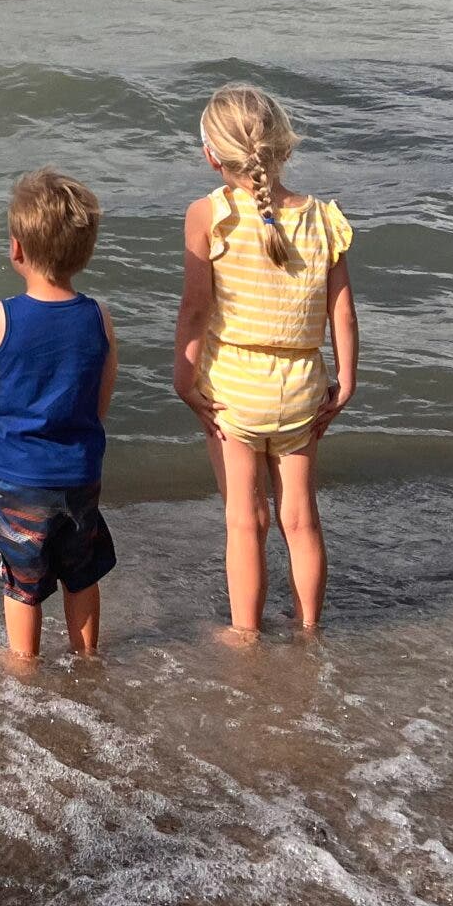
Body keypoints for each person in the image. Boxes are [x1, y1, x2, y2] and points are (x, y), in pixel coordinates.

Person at [173, 83, 359, 637]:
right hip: (301, 387)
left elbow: (194, 310)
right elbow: (342, 316)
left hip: (233, 390)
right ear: (285, 147)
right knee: (299, 518)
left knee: (245, 520)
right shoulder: (325, 219)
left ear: (212, 156)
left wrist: (184, 379)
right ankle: (308, 628)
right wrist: (345, 381)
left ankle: (246, 635)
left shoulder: (209, 215)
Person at [0, 168, 119, 662]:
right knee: (81, 571)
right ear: (84, 252)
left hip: (18, 476)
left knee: (22, 580)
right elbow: (103, 389)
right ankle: (86, 656)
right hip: (79, 472)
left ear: (16, 249)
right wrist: (86, 429)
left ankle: (25, 665)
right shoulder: (98, 315)